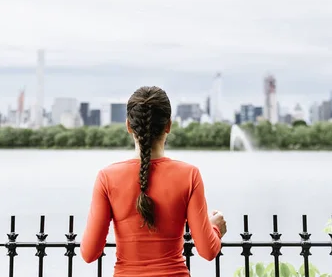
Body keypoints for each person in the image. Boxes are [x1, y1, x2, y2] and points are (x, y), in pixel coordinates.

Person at [81, 86, 227, 276]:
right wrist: (214, 227)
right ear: (168, 125)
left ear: (128, 126)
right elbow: (208, 251)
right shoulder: (189, 175)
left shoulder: (107, 177)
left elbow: (89, 253)